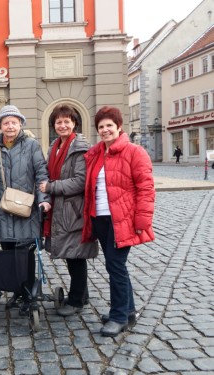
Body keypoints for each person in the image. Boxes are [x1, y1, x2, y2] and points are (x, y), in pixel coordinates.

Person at [82, 106, 155, 337]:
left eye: (109, 126)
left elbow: (146, 187)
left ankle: (119, 317)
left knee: (115, 266)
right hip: (100, 218)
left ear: (119, 127)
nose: (105, 130)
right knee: (116, 265)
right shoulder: (96, 154)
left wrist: (142, 219)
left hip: (121, 219)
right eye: (101, 127)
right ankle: (128, 310)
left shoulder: (135, 152)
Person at [0, 105, 51, 316]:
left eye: (14, 122)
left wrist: (44, 200)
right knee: (8, 253)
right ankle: (17, 291)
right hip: (3, 211)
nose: (10, 126)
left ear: (20, 123)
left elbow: (41, 174)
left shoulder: (31, 146)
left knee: (25, 253)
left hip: (26, 210)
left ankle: (28, 292)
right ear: (0, 126)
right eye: (6, 122)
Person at [39, 104, 98, 317]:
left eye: (67, 121)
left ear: (74, 123)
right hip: (60, 208)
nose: (63, 125)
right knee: (71, 254)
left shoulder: (80, 147)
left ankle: (76, 301)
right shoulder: (54, 146)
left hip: (74, 209)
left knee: (75, 255)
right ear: (53, 125)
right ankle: (82, 295)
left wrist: (51, 187)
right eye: (58, 122)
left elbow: (81, 181)